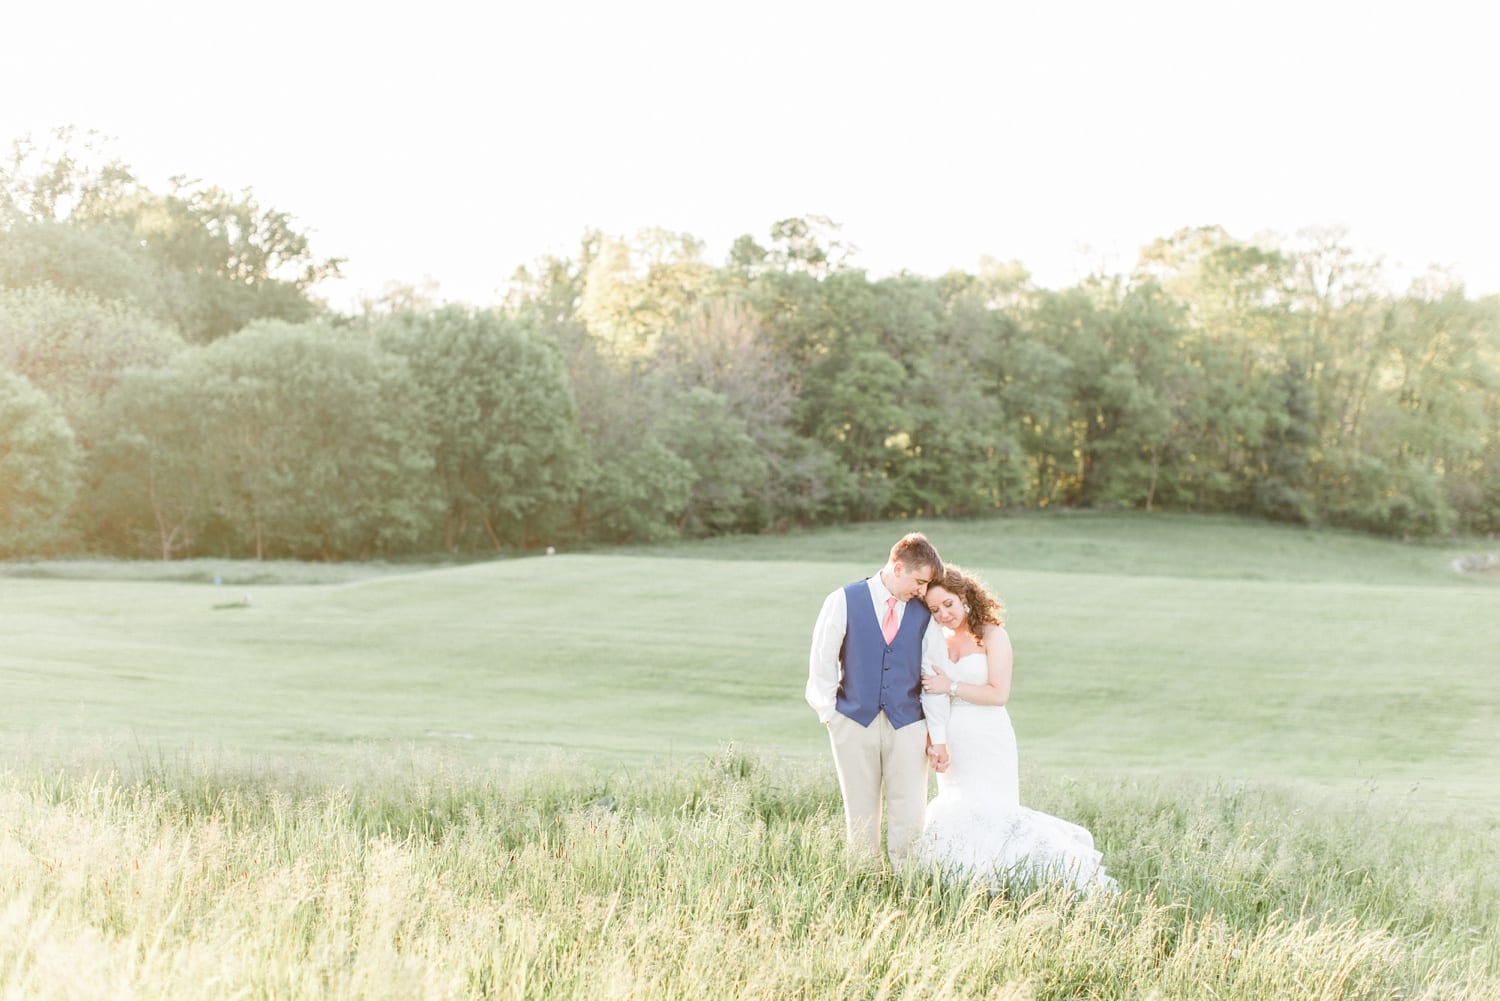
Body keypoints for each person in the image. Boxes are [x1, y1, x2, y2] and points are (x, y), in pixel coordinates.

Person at [913, 564, 1117, 892]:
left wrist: (950, 685)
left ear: (964, 596)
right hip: (953, 739)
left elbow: (998, 693)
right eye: (934, 610)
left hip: (988, 737)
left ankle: (1008, 882)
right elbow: (929, 694)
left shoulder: (993, 635)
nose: (943, 615)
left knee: (992, 811)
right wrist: (934, 739)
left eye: (948, 604)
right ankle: (963, 886)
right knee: (958, 808)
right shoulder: (936, 639)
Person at [806, 532, 952, 866]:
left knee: (910, 813)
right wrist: (831, 714)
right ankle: (862, 882)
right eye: (919, 581)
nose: (922, 591)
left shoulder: (922, 613)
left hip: (909, 724)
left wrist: (937, 735)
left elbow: (933, 675)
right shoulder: (843, 600)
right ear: (897, 568)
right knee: (859, 812)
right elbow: (822, 661)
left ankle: (907, 885)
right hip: (853, 721)